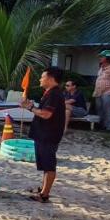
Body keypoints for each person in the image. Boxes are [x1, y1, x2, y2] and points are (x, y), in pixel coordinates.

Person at [19, 67, 66, 203]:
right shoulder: (50, 93)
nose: (40, 79)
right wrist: (32, 107)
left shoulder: (54, 94)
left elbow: (46, 114)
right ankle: (43, 189)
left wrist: (30, 108)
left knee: (49, 164)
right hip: (44, 133)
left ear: (50, 78)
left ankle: (45, 194)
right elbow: (44, 111)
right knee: (45, 164)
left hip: (49, 134)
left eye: (42, 76)